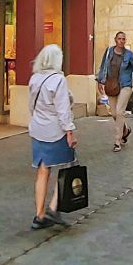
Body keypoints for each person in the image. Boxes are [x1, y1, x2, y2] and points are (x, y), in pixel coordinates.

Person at [28, 43, 77, 230]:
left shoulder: (34, 79)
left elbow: (30, 105)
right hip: (55, 130)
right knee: (66, 166)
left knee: (42, 169)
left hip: (38, 128)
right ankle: (53, 207)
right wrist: (70, 132)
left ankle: (39, 214)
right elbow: (63, 110)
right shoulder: (58, 80)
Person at [97, 31, 133, 152]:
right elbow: (103, 66)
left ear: (125, 41)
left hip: (125, 85)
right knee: (114, 114)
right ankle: (125, 130)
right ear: (115, 39)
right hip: (111, 85)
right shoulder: (109, 51)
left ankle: (117, 141)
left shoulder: (129, 55)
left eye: (123, 39)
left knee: (120, 112)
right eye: (119, 38)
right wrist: (100, 81)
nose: (121, 41)